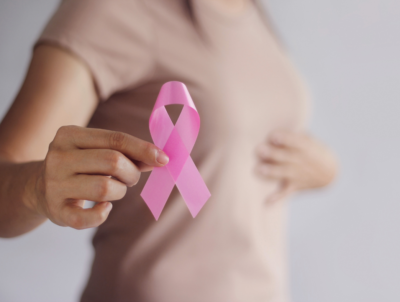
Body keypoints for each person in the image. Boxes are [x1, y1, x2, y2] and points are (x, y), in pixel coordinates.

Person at [0, 0, 338, 301]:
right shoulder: (111, 9)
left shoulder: (252, 11)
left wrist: (324, 170)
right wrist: (35, 188)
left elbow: (238, 140)